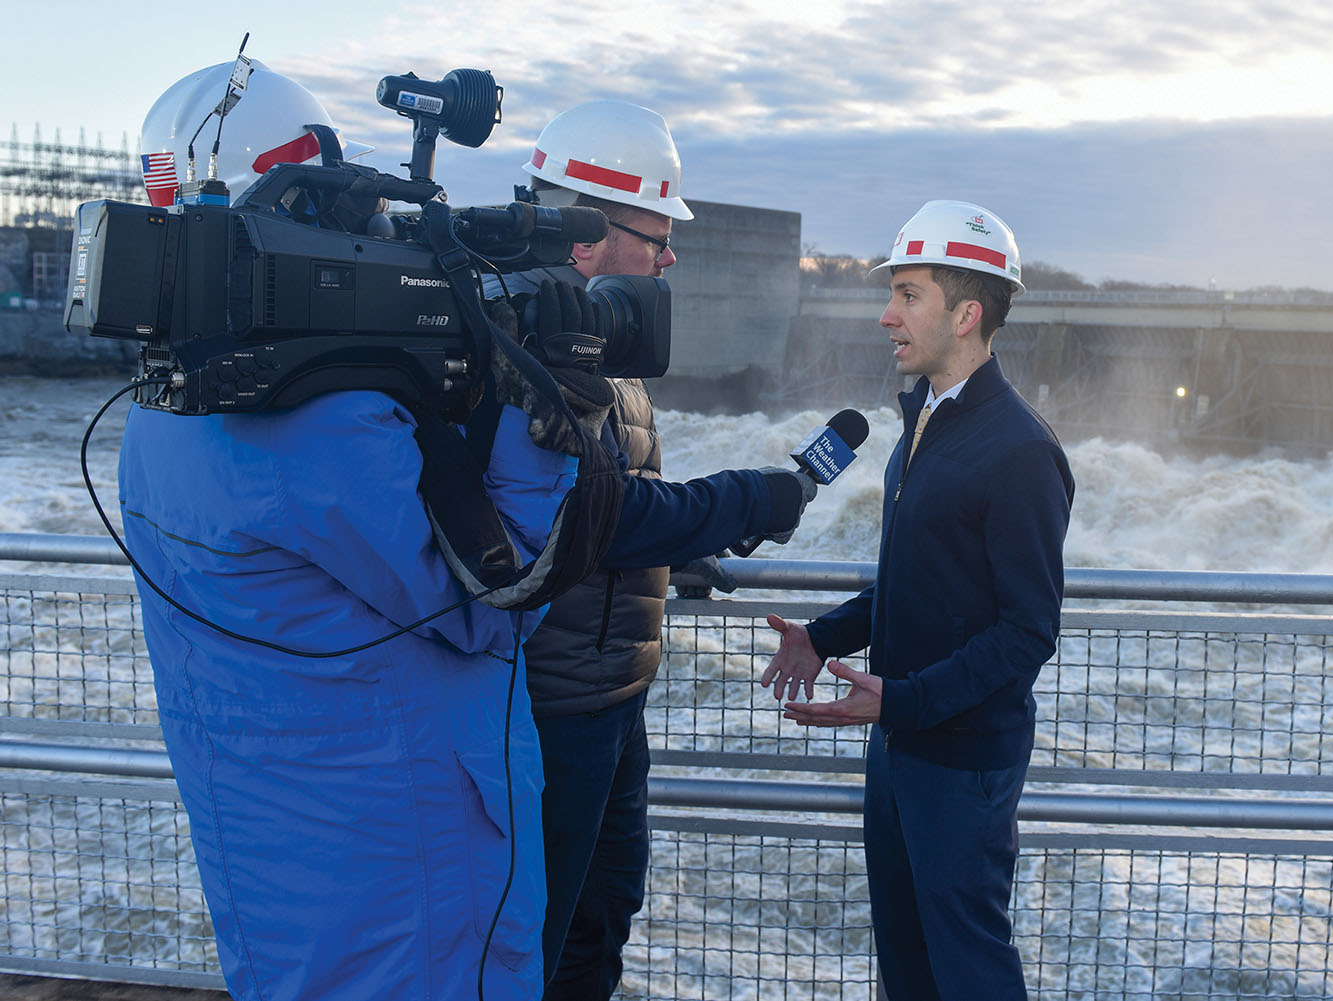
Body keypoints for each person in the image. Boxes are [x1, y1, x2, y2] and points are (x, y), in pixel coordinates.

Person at [123, 61, 586, 1001]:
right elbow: (490, 608)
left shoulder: (157, 410)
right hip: (411, 877)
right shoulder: (323, 423)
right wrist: (539, 413)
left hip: (277, 869)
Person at [477, 100, 799, 1000]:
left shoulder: (604, 346)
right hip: (547, 706)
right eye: (656, 236)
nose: (668, 258)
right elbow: (589, 517)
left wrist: (685, 549)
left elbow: (619, 506)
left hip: (615, 693)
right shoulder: (518, 348)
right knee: (535, 938)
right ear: (586, 231)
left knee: (605, 908)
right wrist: (746, 498)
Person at [759, 199, 1075, 1001]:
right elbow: (919, 574)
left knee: (969, 971)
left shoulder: (1021, 451)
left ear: (966, 314)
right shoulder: (924, 421)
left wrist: (902, 698)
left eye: (908, 295)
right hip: (900, 746)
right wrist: (824, 635)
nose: (886, 315)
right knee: (907, 966)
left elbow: (1027, 630)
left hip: (961, 763)